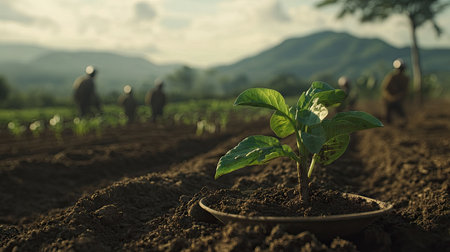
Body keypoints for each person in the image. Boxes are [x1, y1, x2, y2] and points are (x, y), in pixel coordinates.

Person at [381, 59, 409, 125]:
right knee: (388, 115)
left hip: (398, 100)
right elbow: (385, 88)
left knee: (401, 113)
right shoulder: (391, 77)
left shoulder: (405, 78)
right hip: (389, 100)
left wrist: (399, 97)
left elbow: (405, 90)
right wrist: (390, 97)